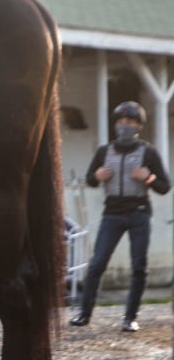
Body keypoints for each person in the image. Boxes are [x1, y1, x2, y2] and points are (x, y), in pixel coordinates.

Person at [71, 101, 170, 332]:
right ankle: (84, 314)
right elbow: (90, 179)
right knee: (97, 264)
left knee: (138, 267)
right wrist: (98, 175)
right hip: (112, 214)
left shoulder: (149, 152)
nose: (125, 126)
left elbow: (165, 187)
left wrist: (149, 178)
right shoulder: (105, 151)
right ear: (116, 124)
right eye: (121, 122)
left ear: (139, 125)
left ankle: (130, 318)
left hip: (139, 214)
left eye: (130, 122)